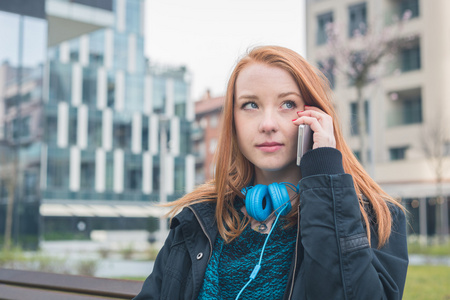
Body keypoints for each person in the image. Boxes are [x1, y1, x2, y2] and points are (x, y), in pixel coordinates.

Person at [134, 46, 408, 300]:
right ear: (234, 122)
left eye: (287, 104)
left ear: (316, 117)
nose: (267, 124)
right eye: (250, 105)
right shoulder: (199, 217)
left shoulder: (373, 218)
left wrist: (326, 175)